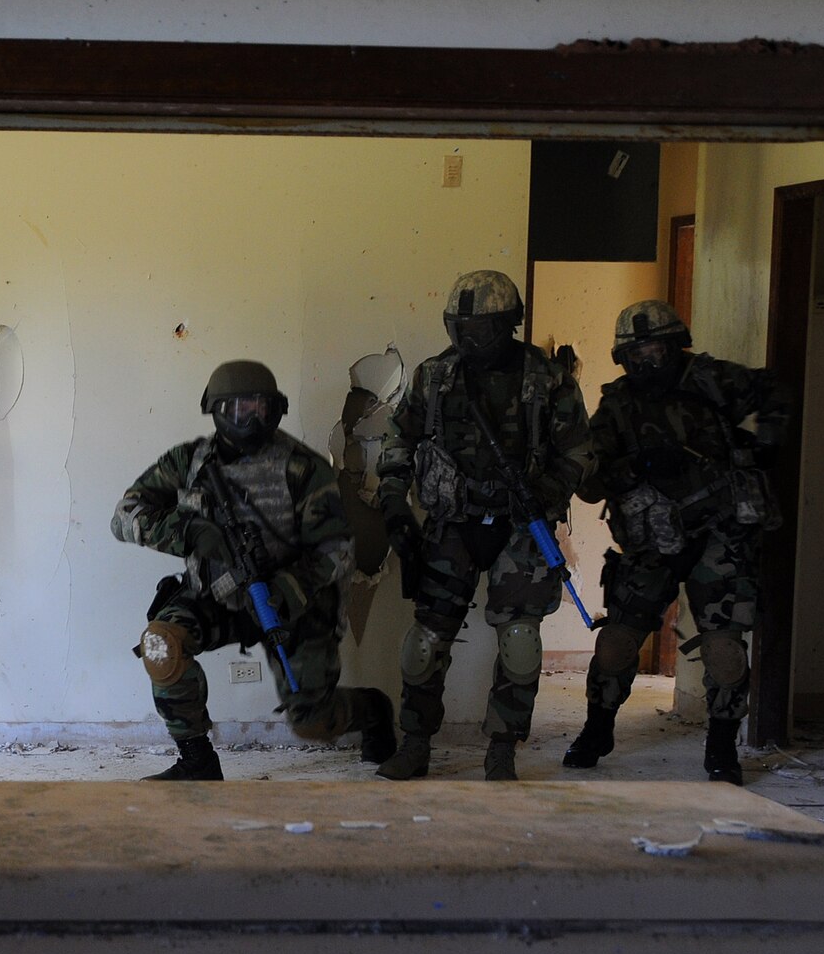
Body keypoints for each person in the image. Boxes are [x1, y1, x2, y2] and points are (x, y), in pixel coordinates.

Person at [111, 359, 395, 780]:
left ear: (276, 410)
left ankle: (374, 710)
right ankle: (197, 761)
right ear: (215, 409)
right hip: (216, 596)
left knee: (311, 722)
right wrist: (190, 533)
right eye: (237, 409)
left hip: (291, 602)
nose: (249, 418)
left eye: (261, 408)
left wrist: (288, 586)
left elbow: (337, 549)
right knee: (161, 644)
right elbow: (124, 516)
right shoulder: (189, 462)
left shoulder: (302, 467)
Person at [375, 270, 592, 782]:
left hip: (522, 523)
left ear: (508, 325)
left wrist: (542, 493)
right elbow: (398, 440)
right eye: (461, 328)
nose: (469, 340)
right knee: (425, 641)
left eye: (481, 330)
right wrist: (394, 504)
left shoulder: (548, 378)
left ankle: (502, 747)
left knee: (518, 640)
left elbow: (580, 452)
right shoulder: (436, 376)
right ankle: (416, 743)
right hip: (453, 520)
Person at [565, 300, 789, 784]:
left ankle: (722, 747)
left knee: (725, 650)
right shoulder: (617, 404)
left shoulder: (712, 380)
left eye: (654, 349)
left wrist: (768, 443)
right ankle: (597, 729)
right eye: (635, 353)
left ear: (673, 344)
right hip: (652, 540)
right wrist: (638, 467)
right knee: (617, 644)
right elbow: (589, 483)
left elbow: (774, 390)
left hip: (719, 533)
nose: (646, 361)